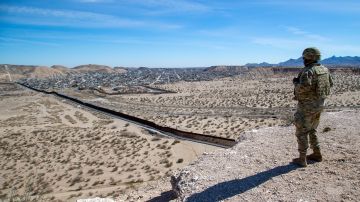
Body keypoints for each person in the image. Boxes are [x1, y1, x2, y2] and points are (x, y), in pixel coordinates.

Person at [292, 47, 333, 167]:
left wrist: (295, 83)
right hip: (319, 105)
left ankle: (302, 159)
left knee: (301, 132)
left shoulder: (308, 71)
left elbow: (302, 88)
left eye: (305, 57)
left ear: (310, 57)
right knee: (312, 129)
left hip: (307, 107)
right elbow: (330, 84)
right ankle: (317, 153)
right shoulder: (324, 70)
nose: (303, 59)